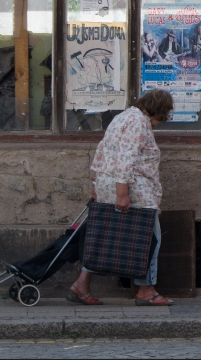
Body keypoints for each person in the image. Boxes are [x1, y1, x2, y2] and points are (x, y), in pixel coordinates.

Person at [68, 89, 174, 306]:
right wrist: (122, 194)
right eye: (164, 115)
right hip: (135, 191)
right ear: (159, 110)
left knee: (104, 237)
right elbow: (126, 159)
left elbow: (102, 152)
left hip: (109, 185)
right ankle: (146, 290)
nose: (160, 123)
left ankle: (81, 284)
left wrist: (97, 184)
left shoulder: (122, 117)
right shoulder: (139, 123)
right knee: (150, 238)